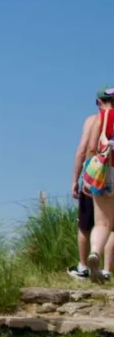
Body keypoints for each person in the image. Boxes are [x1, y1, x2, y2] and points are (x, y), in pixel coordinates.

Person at [69, 90, 114, 280]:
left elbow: (88, 149)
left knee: (101, 223)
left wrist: (81, 177)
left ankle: (93, 252)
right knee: (112, 227)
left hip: (102, 172)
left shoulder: (96, 119)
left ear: (98, 101)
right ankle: (106, 269)